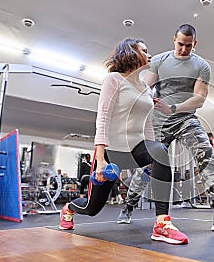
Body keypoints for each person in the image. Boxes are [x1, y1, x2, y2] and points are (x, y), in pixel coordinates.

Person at [59, 38, 188, 245]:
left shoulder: (147, 88)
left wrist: (152, 156)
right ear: (131, 53)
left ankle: (162, 224)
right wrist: (100, 160)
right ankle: (69, 209)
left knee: (161, 150)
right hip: (111, 154)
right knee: (91, 209)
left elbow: (147, 124)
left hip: (136, 148)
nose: (149, 55)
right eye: (144, 50)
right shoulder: (114, 80)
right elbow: (103, 118)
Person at [117, 24, 214, 231]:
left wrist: (173, 108)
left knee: (205, 151)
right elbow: (146, 88)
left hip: (185, 118)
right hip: (159, 121)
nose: (184, 49)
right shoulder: (159, 60)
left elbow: (199, 98)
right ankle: (128, 205)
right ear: (174, 40)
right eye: (180, 44)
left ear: (195, 44)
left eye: (188, 45)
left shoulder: (202, 66)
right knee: (150, 168)